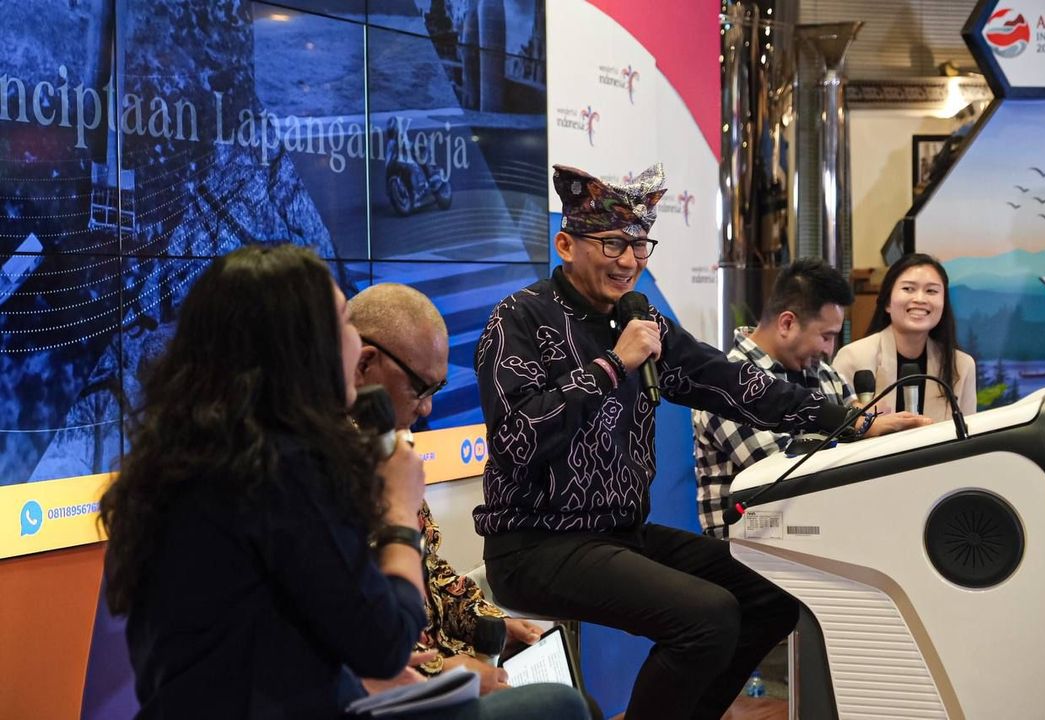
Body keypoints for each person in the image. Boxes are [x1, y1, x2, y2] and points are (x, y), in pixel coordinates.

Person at [98, 245, 588, 720]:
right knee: (562, 706)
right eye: (341, 323)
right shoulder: (287, 470)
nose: (355, 343)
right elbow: (385, 638)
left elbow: (298, 624)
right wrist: (398, 509)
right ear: (300, 350)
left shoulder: (188, 460)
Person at [472, 163, 865, 720]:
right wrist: (614, 366)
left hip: (618, 534)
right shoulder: (518, 318)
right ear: (566, 243)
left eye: (639, 245)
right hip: (535, 542)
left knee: (771, 593)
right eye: (613, 244)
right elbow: (518, 437)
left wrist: (851, 421)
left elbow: (732, 384)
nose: (630, 261)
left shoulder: (641, 321)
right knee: (706, 617)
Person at [347, 284, 544, 696]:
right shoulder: (325, 469)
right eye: (419, 389)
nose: (427, 409)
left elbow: (429, 570)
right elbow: (359, 624)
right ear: (365, 363)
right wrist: (449, 673)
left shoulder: (385, 449)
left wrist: (489, 623)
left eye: (436, 391)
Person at [692, 258, 931, 537]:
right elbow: (784, 471)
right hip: (745, 556)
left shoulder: (826, 376)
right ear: (787, 323)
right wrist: (862, 431)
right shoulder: (727, 383)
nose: (830, 349)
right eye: (826, 336)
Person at [832, 252, 976, 421]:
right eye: (908, 289)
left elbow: (967, 441)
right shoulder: (853, 358)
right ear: (887, 302)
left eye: (931, 291)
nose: (920, 299)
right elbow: (837, 433)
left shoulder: (961, 366)